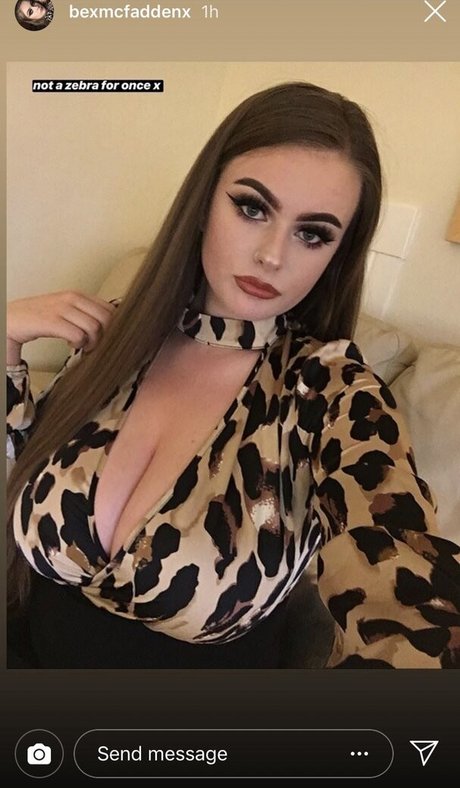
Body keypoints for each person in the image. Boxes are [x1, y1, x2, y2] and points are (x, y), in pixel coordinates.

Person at [7, 81, 460, 669]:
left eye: (312, 233)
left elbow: (399, 564)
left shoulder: (332, 393)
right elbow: (31, 464)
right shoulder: (117, 334)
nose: (273, 255)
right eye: (252, 208)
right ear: (202, 204)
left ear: (337, 254)